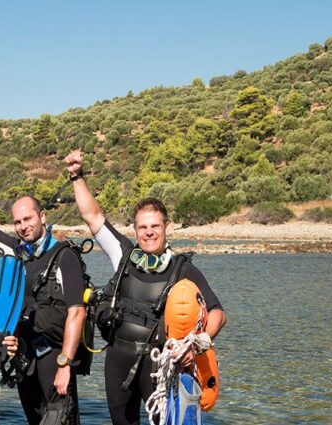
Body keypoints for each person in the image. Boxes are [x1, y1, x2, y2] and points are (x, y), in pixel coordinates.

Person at [62, 149, 227, 425]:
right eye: (142, 227)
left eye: (154, 226)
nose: (148, 232)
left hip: (159, 364)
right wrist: (77, 175)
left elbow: (218, 314)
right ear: (135, 230)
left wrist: (197, 346)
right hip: (118, 359)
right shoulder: (123, 255)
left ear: (166, 227)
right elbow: (93, 217)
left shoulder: (183, 269)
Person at [0, 149, 87, 424]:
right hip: (25, 358)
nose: (23, 226)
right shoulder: (15, 251)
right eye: (18, 222)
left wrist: (65, 364)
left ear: (42, 217)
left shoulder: (64, 256)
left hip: (55, 357)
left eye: (28, 219)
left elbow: (77, 312)